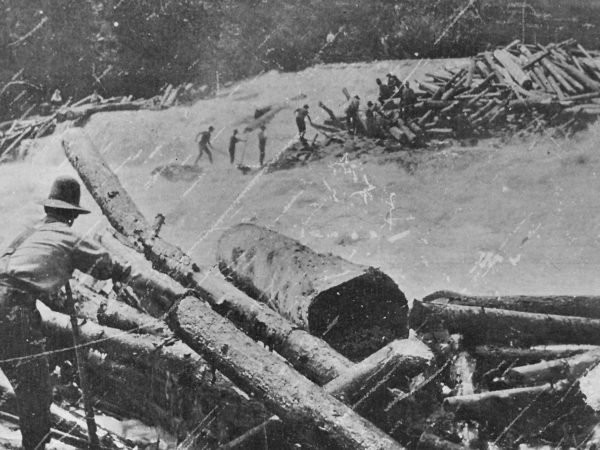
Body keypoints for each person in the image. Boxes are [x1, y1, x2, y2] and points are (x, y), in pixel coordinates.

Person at [0, 176, 131, 450]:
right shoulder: (69, 236)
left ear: (49, 209)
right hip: (13, 309)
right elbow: (104, 265)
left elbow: (11, 264)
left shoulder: (28, 232)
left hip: (7, 299)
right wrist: (121, 273)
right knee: (35, 391)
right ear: (71, 215)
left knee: (24, 381)